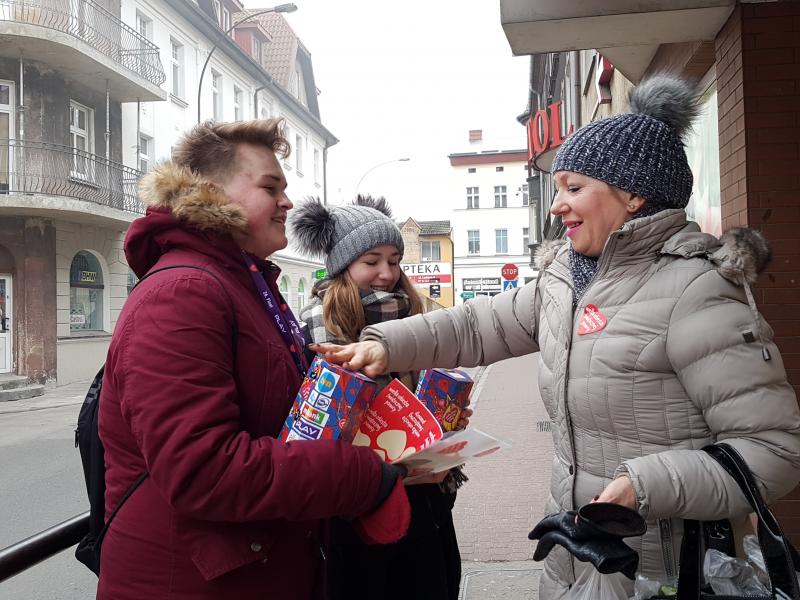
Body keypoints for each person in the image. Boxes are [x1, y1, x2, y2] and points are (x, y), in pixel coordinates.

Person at [310, 74, 800, 598]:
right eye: (558, 188)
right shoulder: (566, 278)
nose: (556, 205)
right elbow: (480, 323)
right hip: (577, 544)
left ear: (633, 195)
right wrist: (385, 344)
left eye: (574, 187)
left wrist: (644, 485)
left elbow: (774, 451)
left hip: (666, 566)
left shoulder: (695, 290)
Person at [97, 119, 410, 600]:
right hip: (190, 581)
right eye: (271, 187)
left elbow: (281, 422)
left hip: (249, 569)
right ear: (210, 193)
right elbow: (203, 469)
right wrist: (362, 476)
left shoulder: (242, 284)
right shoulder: (183, 292)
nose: (288, 202)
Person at [291, 195, 464, 600]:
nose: (387, 273)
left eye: (394, 259)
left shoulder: (416, 313)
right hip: (359, 502)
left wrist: (448, 418)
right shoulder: (318, 324)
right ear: (343, 264)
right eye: (372, 261)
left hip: (428, 496)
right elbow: (319, 424)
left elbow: (427, 393)